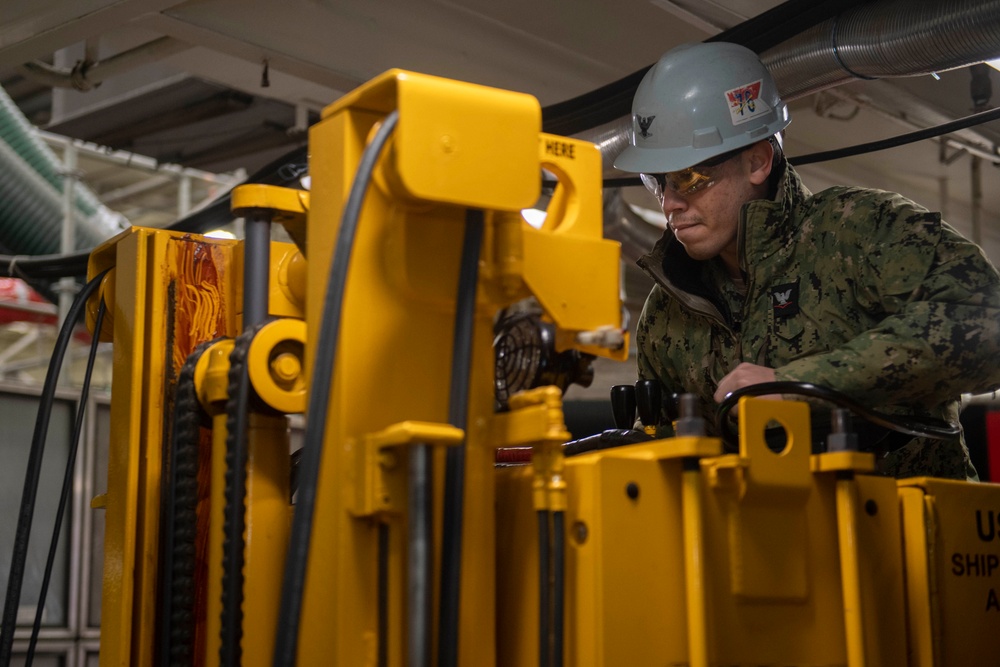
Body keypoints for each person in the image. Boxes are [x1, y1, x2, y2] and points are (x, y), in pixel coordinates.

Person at [613, 41, 1000, 479]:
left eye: (689, 176)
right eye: (657, 182)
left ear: (757, 161)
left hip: (909, 535)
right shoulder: (666, 313)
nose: (670, 204)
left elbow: (985, 322)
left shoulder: (860, 231)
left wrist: (802, 387)